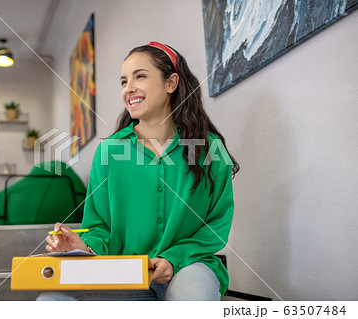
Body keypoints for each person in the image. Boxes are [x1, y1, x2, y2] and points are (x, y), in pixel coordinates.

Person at [36, 41, 240, 301]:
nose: (128, 88)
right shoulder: (109, 152)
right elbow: (100, 227)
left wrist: (173, 258)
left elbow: (216, 224)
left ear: (171, 83)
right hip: (124, 275)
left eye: (140, 76)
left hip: (189, 268)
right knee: (49, 302)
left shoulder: (210, 149)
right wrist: (84, 248)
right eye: (123, 81)